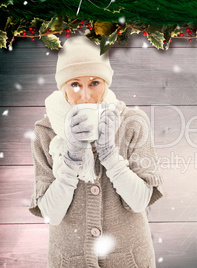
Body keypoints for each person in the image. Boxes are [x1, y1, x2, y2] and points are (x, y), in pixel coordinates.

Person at [28, 36, 164, 267]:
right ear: (63, 88)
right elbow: (52, 215)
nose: (85, 96)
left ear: (106, 83)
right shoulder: (46, 132)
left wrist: (109, 154)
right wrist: (71, 158)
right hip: (70, 260)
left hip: (128, 259)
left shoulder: (133, 122)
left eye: (94, 83)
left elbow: (140, 202)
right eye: (74, 84)